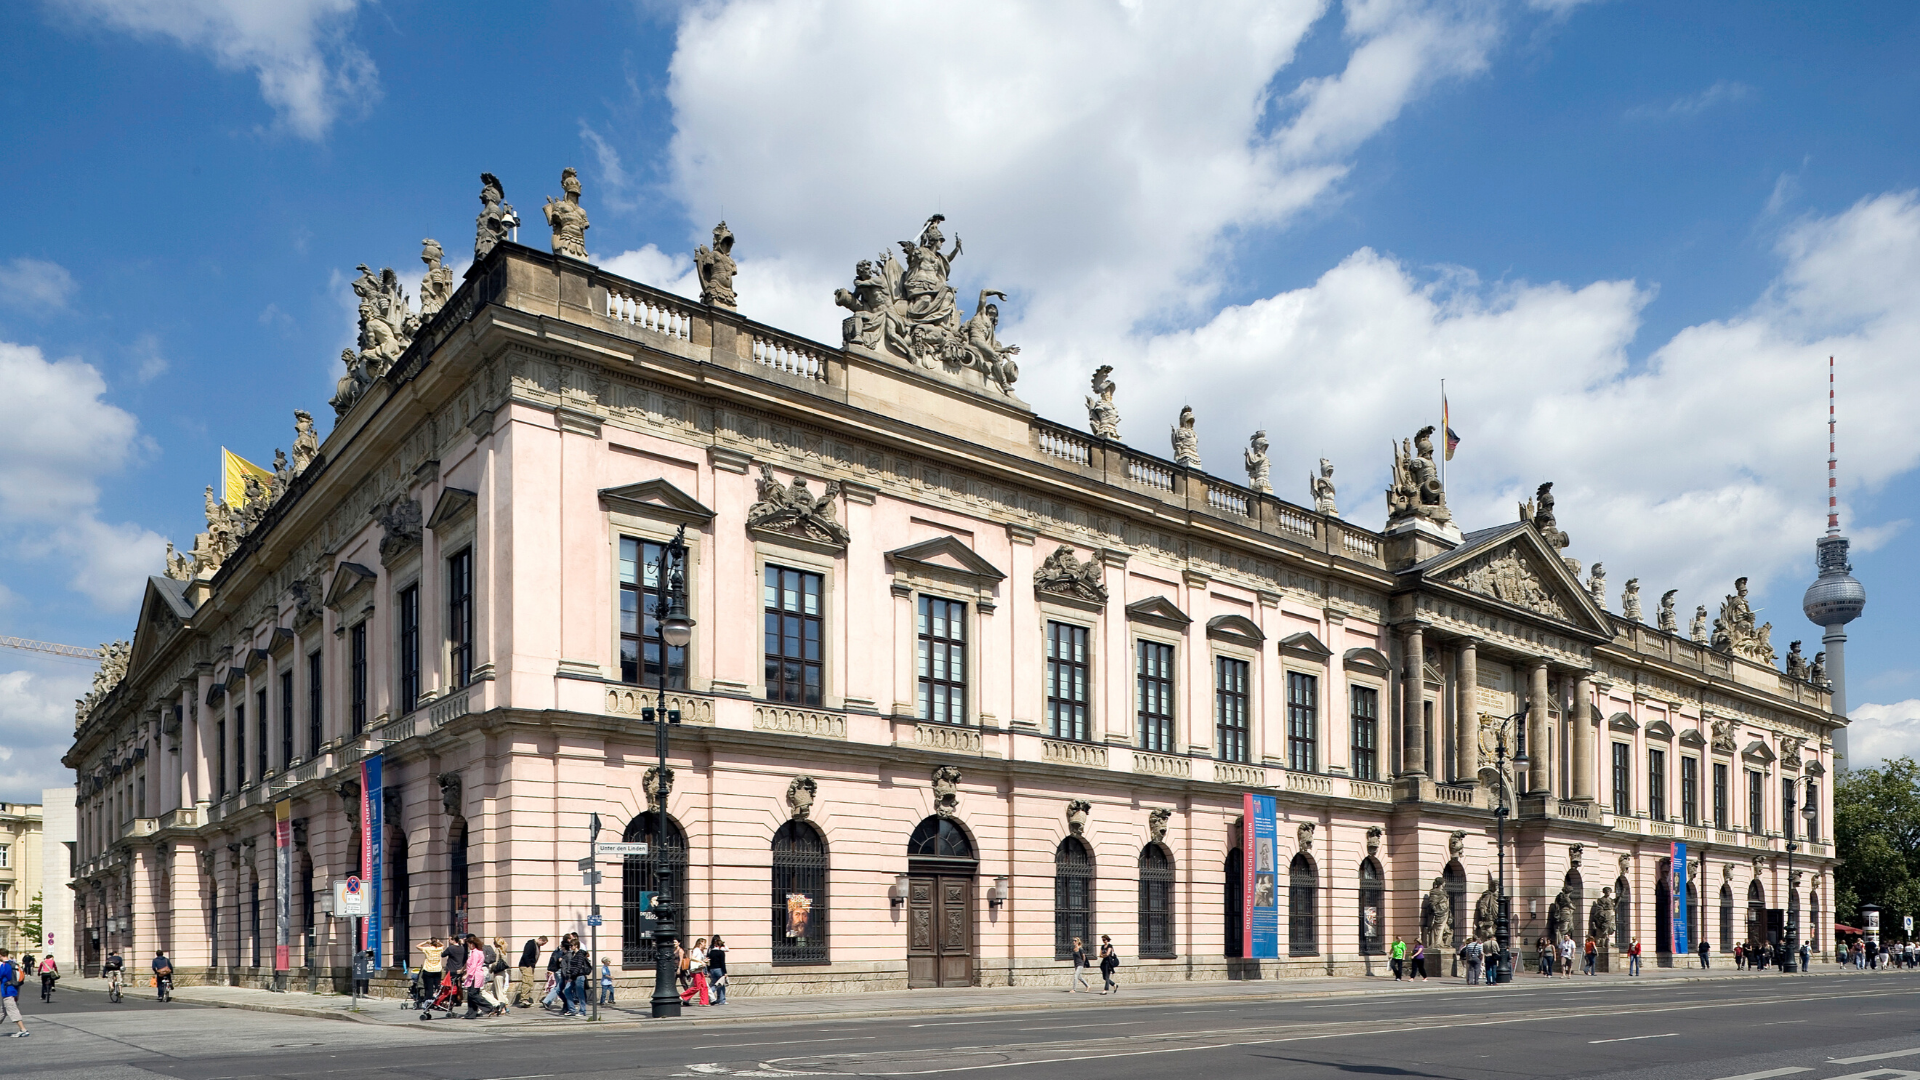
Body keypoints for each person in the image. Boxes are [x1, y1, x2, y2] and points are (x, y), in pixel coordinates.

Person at [0, 949, 25, 1037]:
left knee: (12, 1010)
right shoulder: (14, 964)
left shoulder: (4, 965)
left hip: (7, 991)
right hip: (14, 989)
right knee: (2, 1011)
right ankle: (23, 1030)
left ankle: (23, 1030)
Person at [517, 936, 547, 1007]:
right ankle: (524, 999)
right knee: (527, 981)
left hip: (530, 966)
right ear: (540, 939)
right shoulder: (531, 944)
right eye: (542, 943)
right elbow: (526, 955)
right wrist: (529, 965)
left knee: (529, 982)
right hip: (526, 965)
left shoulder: (536, 945)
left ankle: (526, 998)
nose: (542, 945)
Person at [681, 937, 710, 1007]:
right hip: (696, 971)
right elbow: (692, 957)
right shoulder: (696, 950)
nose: (705, 944)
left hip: (700, 970)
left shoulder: (700, 951)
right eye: (704, 943)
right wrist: (701, 961)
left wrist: (705, 960)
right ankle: (683, 996)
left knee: (704, 986)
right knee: (697, 986)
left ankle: (704, 1002)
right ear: (700, 943)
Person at [417, 937, 446, 1002]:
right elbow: (443, 946)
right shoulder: (439, 949)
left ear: (430, 943)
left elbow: (417, 946)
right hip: (437, 970)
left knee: (429, 987)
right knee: (437, 986)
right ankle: (437, 1000)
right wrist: (439, 942)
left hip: (428, 970)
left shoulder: (428, 949)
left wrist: (426, 942)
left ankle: (428, 1000)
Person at [708, 936, 728, 1006]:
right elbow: (722, 963)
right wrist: (725, 972)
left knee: (714, 983)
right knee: (720, 984)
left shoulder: (711, 952)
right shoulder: (721, 952)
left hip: (712, 969)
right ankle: (722, 1000)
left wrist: (708, 970)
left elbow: (709, 962)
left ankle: (712, 997)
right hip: (719, 969)